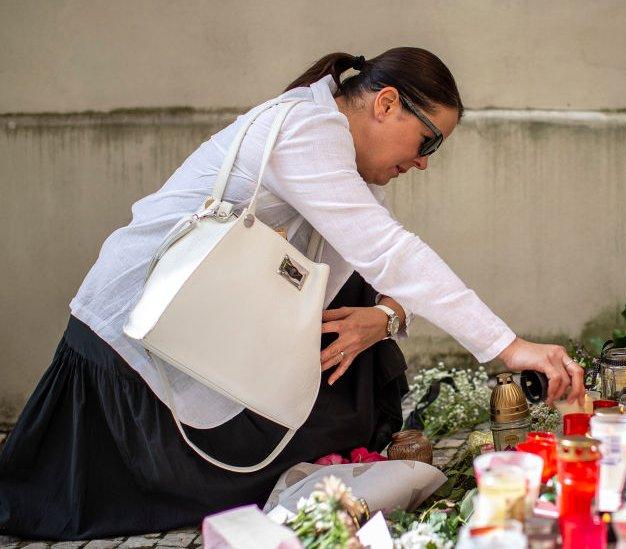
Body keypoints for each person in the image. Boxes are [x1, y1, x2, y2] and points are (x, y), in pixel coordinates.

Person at [0, 47, 584, 539]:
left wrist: (385, 317)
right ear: (385, 104)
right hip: (136, 334)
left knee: (364, 335)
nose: (424, 164)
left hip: (215, 331)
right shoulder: (306, 131)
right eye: (428, 143)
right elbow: (392, 253)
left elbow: (384, 272)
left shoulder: (339, 153)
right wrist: (510, 348)